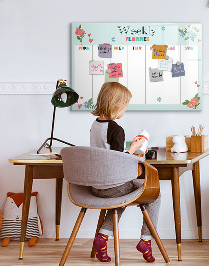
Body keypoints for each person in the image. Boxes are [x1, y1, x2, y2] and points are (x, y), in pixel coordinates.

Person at [90, 82, 160, 263]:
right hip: (113, 186)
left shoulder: (95, 125)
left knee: (120, 197)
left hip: (96, 186)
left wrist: (129, 149)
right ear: (116, 105)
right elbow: (118, 161)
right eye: (125, 106)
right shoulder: (116, 129)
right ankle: (146, 240)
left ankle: (102, 238)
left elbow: (107, 154)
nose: (125, 110)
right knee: (155, 194)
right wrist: (135, 148)